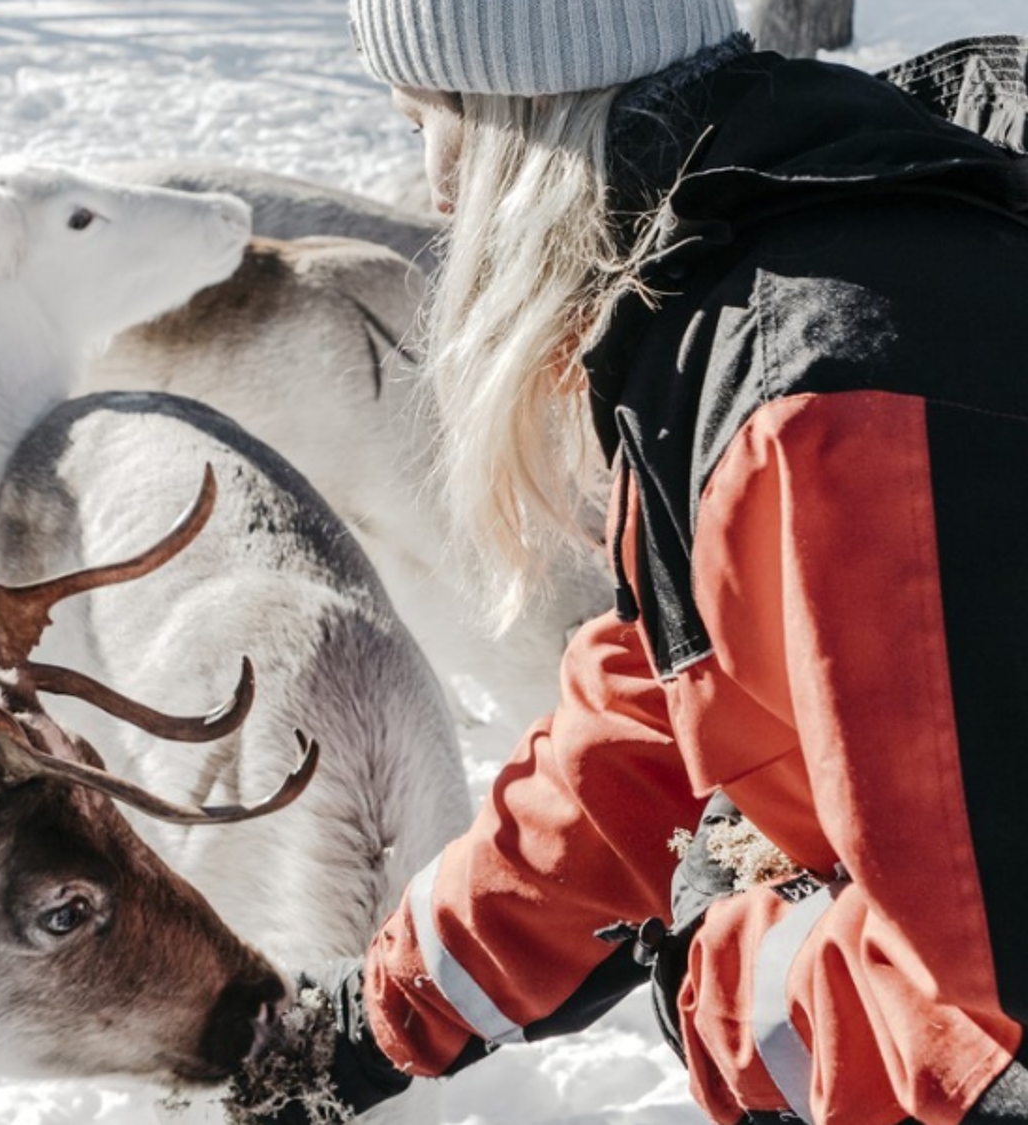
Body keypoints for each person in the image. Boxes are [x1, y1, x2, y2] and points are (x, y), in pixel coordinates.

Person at [256, 4, 1028, 1123]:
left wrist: (718, 976)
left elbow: (981, 1011)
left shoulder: (822, 397)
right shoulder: (734, 276)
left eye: (424, 120)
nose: (429, 188)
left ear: (518, 115)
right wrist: (374, 1019)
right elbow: (657, 728)